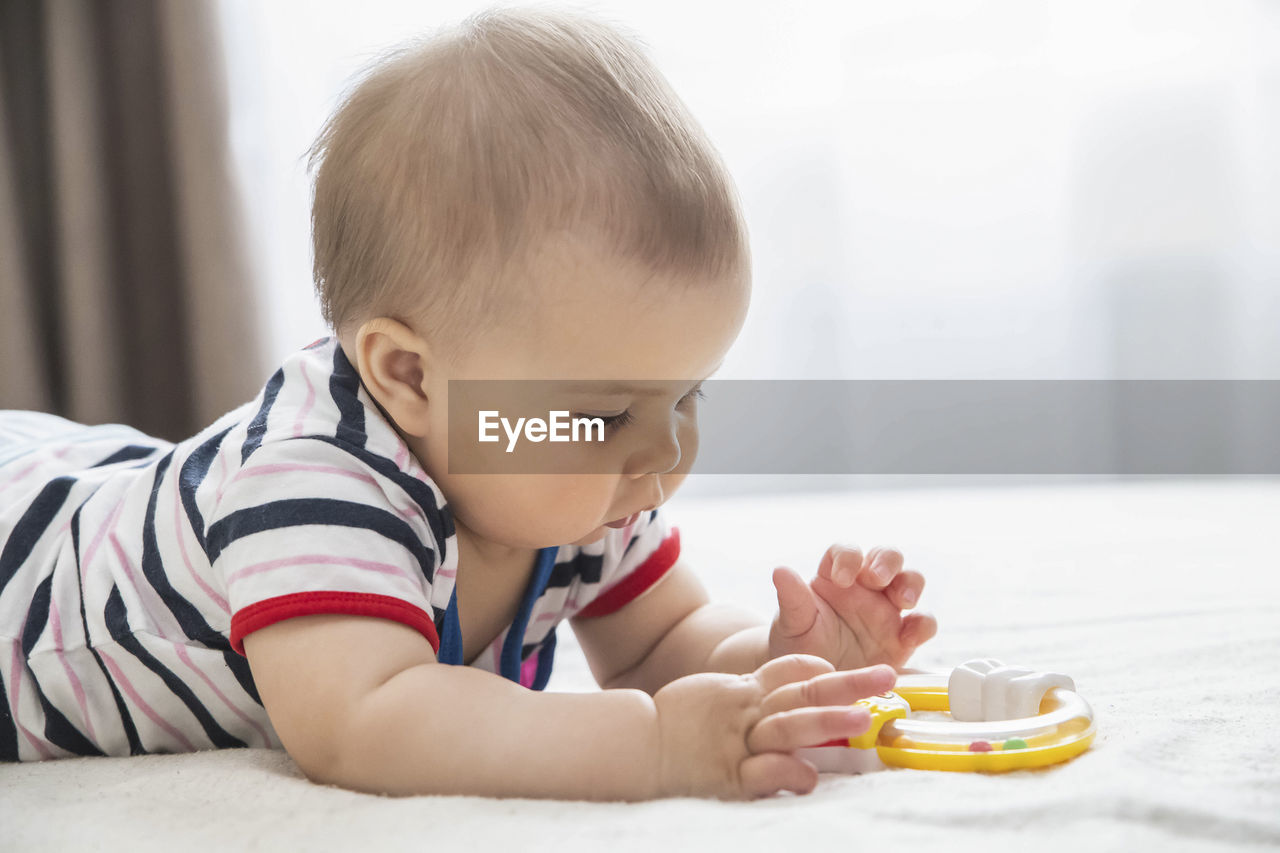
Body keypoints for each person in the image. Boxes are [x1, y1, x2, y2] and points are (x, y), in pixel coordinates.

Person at [0, 6, 936, 799]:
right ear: (407, 377)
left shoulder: (590, 484)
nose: (662, 455)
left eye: (685, 393)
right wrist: (650, 746)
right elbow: (367, 721)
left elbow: (664, 643)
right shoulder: (313, 480)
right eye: (609, 414)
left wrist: (784, 665)